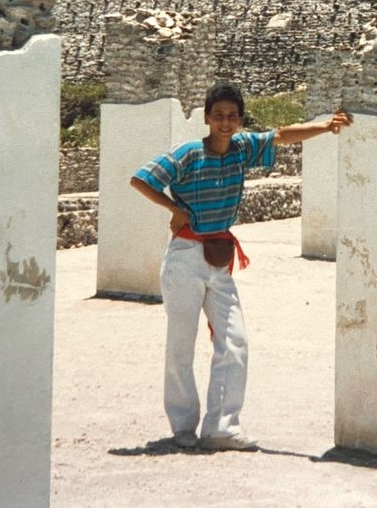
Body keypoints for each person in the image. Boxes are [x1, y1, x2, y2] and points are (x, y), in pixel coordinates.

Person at [130, 82, 353, 451]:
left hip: (219, 258)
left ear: (240, 119)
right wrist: (176, 209)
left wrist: (326, 126)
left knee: (234, 341)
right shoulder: (188, 153)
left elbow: (282, 135)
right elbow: (141, 178)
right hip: (185, 257)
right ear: (206, 118)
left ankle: (221, 428)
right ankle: (183, 426)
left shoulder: (243, 148)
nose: (225, 122)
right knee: (181, 345)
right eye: (218, 115)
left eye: (232, 116)